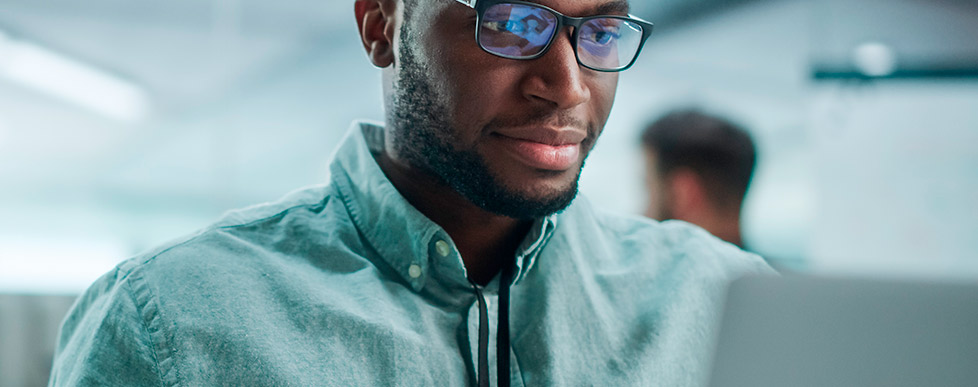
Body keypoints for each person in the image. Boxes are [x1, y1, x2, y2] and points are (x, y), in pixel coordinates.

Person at [50, 1, 771, 386]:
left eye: (602, 31)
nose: (569, 85)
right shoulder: (171, 322)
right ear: (380, 23)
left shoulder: (720, 299)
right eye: (512, 23)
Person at [640, 109, 757, 248]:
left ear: (683, 195)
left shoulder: (646, 266)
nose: (641, 214)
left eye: (647, 189)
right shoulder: (769, 269)